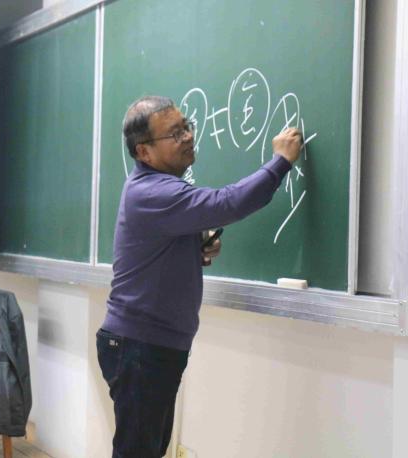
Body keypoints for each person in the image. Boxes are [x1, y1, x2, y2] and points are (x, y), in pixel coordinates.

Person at [96, 95, 302, 457]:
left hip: (148, 345)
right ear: (144, 152)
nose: (188, 136)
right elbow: (227, 203)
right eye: (174, 133)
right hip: (140, 346)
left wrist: (194, 246)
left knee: (146, 450)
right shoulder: (152, 191)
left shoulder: (155, 188)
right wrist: (280, 162)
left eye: (186, 127)